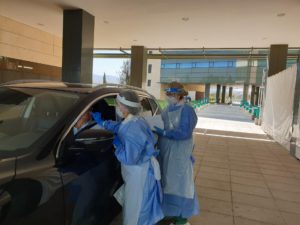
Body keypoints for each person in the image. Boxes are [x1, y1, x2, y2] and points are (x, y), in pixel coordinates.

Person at [92, 90, 164, 225]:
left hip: (139, 175)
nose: (117, 108)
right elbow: (120, 126)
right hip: (140, 172)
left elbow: (129, 158)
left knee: (136, 212)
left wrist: (117, 145)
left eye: (119, 105)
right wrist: (103, 123)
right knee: (134, 207)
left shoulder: (133, 129)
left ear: (127, 106)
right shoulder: (134, 120)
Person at [154, 81, 199, 225]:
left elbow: (185, 132)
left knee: (181, 184)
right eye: (168, 94)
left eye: (172, 94)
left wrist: (166, 132)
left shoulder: (187, 110)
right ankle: (169, 214)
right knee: (167, 182)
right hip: (166, 152)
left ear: (180, 95)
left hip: (179, 154)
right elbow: (160, 123)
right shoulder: (167, 109)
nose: (169, 97)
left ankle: (182, 218)